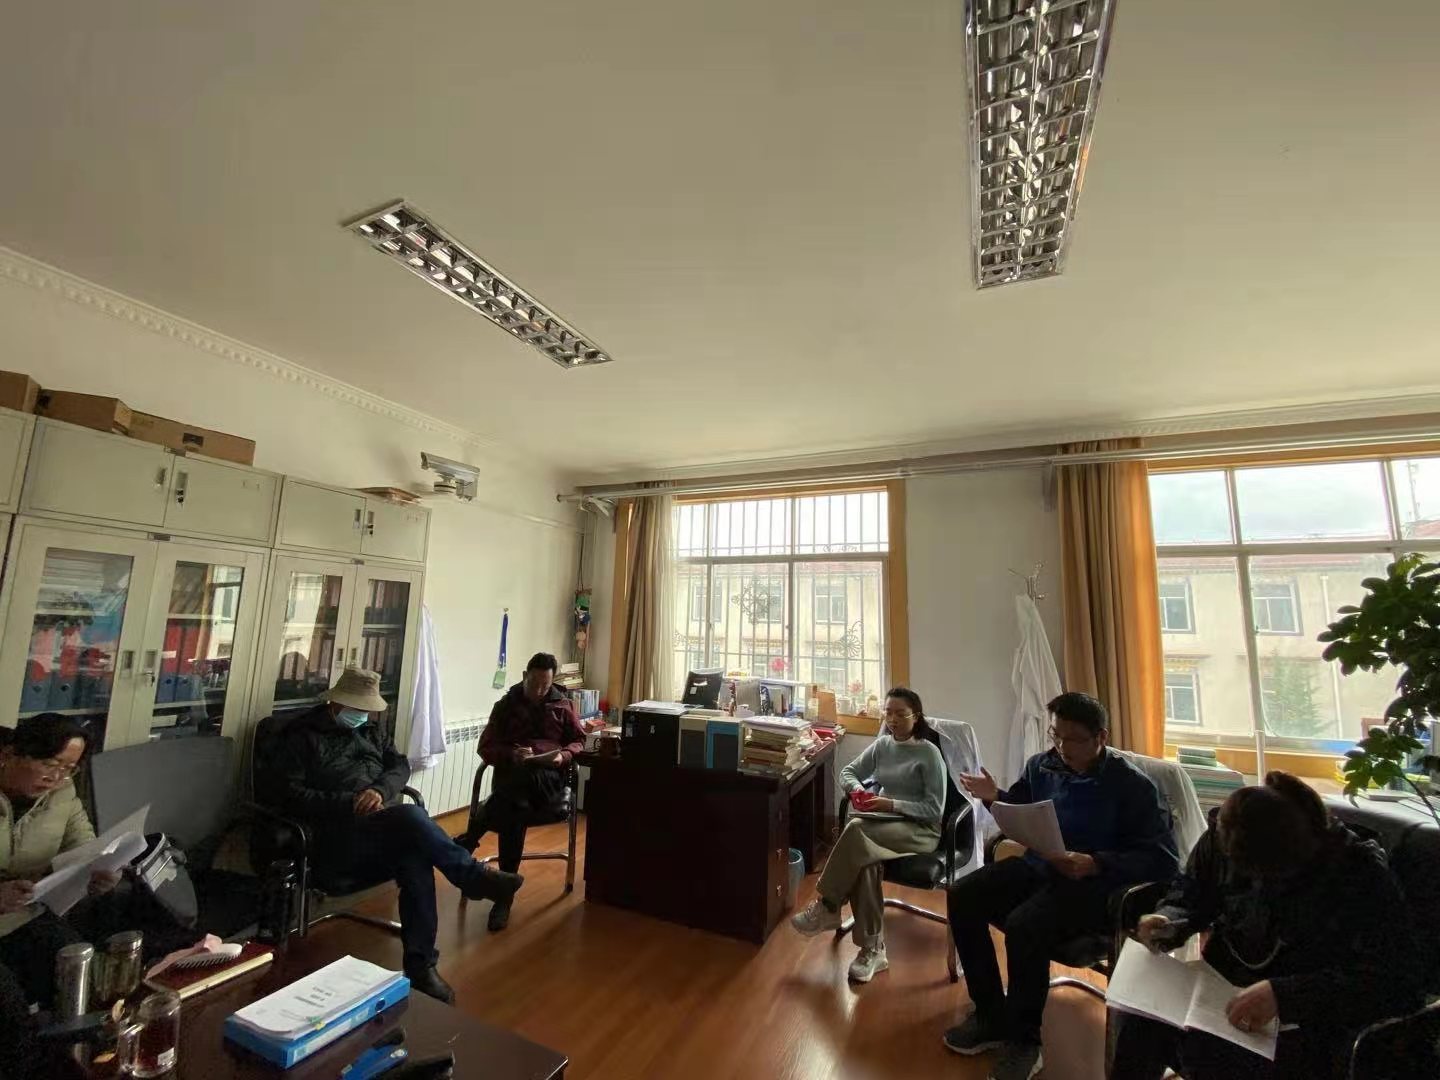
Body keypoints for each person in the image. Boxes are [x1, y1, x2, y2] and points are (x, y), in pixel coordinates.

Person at [1112, 771, 1423, 1080]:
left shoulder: (1358, 872)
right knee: (1139, 1019)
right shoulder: (1227, 833)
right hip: (1222, 989)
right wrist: (1170, 919)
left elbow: (1396, 982)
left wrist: (1285, 996)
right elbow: (1192, 892)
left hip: (1309, 1014)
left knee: (1209, 1054)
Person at [943, 692, 1178, 1080]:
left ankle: (1025, 1040)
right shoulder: (1043, 766)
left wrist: (1097, 862)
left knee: (1024, 925)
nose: (1062, 747)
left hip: (1094, 886)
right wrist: (993, 797)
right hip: (1042, 866)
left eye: (1073, 739)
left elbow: (1163, 858)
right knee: (963, 895)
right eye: (1055, 736)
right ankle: (991, 1014)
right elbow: (1019, 809)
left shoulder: (1131, 786)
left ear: (1101, 737)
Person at [273, 667, 523, 1003]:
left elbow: (399, 766)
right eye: (358, 708)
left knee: (414, 856)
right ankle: (472, 877)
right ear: (337, 703)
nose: (363, 715)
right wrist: (349, 803)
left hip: (378, 830)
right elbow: (289, 795)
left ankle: (421, 968)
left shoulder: (372, 731)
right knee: (410, 816)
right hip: (332, 839)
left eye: (367, 709)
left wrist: (379, 790)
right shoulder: (301, 737)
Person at [789, 687, 948, 984]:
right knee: (866, 863)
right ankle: (873, 950)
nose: (893, 719)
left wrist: (891, 804)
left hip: (921, 830)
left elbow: (934, 809)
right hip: (885, 823)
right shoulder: (883, 745)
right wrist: (858, 790)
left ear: (916, 716)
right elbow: (848, 772)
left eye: (900, 714)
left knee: (856, 830)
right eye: (888, 713)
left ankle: (828, 905)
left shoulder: (929, 753)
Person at [0, 714, 124, 1079]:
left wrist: (101, 871)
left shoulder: (62, 794)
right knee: (7, 1003)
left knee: (77, 963)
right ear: (8, 755)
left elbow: (83, 846)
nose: (56, 777)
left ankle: (71, 1061)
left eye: (68, 769)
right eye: (49, 764)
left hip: (21, 914)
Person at [454, 652, 584, 932]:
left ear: (552, 681)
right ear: (525, 676)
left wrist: (562, 755)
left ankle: (470, 838)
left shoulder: (563, 704)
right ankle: (505, 892)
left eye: (545, 685)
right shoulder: (506, 706)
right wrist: (511, 754)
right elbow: (486, 747)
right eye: (534, 683)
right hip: (513, 783)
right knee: (515, 808)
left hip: (548, 780)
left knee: (518, 787)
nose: (539, 690)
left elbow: (578, 741)